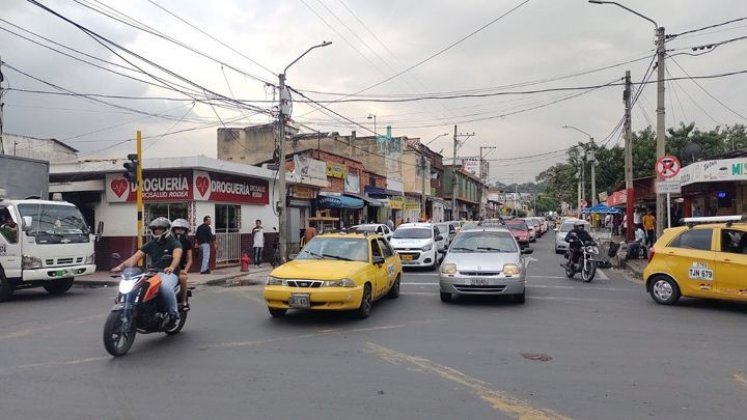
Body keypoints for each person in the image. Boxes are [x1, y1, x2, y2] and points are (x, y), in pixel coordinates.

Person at [112, 218, 182, 328]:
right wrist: (120, 267)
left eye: (160, 229)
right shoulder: (150, 244)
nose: (157, 231)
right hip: (152, 273)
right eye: (155, 229)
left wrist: (172, 267)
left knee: (165, 288)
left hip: (169, 273)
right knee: (136, 287)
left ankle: (174, 314)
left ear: (166, 229)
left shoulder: (174, 243)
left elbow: (177, 257)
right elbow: (135, 257)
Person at [171, 218, 193, 310]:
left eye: (182, 229)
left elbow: (190, 259)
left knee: (183, 278)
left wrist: (185, 270)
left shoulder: (187, 242)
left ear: (185, 231)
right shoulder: (169, 241)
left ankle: (184, 302)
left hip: (179, 269)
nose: (179, 231)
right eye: (177, 229)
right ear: (173, 230)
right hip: (167, 268)